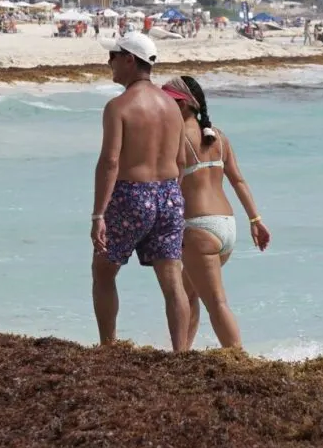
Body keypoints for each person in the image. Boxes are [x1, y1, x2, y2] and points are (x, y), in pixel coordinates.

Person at [91, 32, 190, 352]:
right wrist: (174, 204)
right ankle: (181, 354)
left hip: (132, 195)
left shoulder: (119, 107)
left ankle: (108, 347)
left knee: (103, 271)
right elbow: (181, 160)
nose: (110, 63)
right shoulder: (172, 108)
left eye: (114, 57)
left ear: (130, 60)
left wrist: (98, 214)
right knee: (172, 280)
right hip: (169, 195)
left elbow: (110, 161)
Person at [160, 76, 271, 350]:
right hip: (227, 228)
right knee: (188, 291)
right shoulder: (219, 137)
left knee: (217, 302)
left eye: (169, 101)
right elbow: (239, 181)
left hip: (199, 229)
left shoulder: (177, 138)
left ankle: (238, 360)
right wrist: (256, 220)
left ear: (185, 104)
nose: (163, 106)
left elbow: (170, 185)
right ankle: (182, 354)